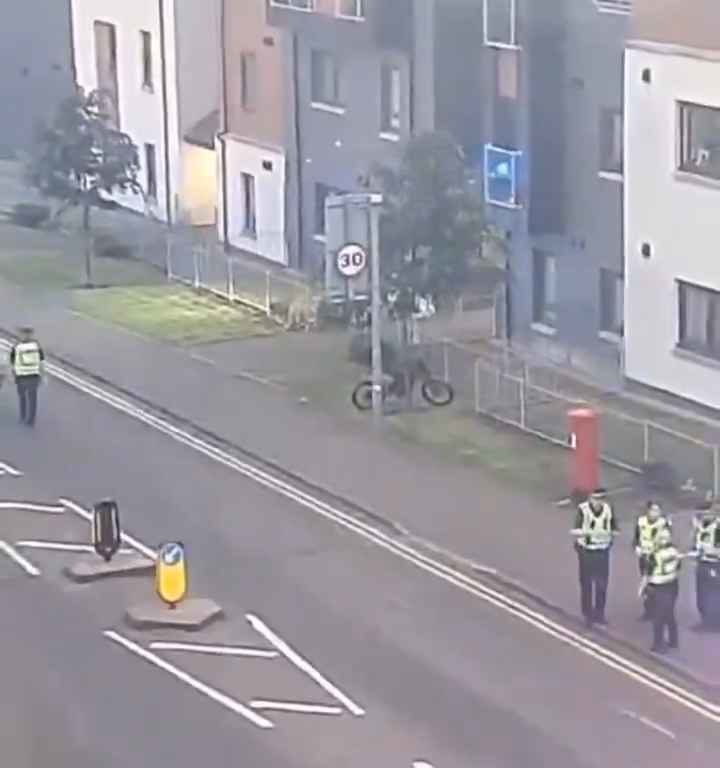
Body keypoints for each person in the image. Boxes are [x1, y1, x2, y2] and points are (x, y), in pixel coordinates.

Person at [571, 488, 619, 628]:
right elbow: (575, 530)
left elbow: (615, 528)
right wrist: (587, 533)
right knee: (586, 584)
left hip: (602, 551)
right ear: (590, 499)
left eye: (601, 499)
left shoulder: (608, 510)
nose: (598, 502)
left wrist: (610, 534)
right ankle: (587, 614)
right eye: (595, 499)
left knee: (602, 584)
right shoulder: (583, 510)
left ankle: (599, 613)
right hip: (586, 551)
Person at [633, 501, 672, 621]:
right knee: (647, 584)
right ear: (648, 511)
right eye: (653, 510)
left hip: (658, 558)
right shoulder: (640, 522)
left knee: (657, 583)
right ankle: (648, 611)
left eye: (658, 511)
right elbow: (635, 539)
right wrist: (637, 548)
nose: (656, 513)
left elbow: (668, 540)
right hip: (644, 556)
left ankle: (658, 611)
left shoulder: (664, 523)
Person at [645, 528, 681, 653]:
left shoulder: (669, 552)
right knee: (667, 613)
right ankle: (673, 639)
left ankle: (658, 643)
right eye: (661, 538)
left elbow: (677, 567)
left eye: (666, 538)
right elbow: (648, 572)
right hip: (659, 586)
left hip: (668, 586)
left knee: (660, 615)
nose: (664, 540)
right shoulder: (655, 553)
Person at [690, 505, 720, 628]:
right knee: (701, 593)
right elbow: (696, 544)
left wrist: (705, 552)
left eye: (709, 512)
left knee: (712, 594)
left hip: (714, 564)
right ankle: (704, 619)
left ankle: (712, 623)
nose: (705, 515)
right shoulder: (701, 527)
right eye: (703, 513)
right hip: (702, 563)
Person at [9, 327, 44, 427]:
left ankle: (23, 416)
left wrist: (13, 374)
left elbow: (12, 362)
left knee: (23, 397)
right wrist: (41, 374)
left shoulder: (17, 347)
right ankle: (31, 419)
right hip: (33, 375)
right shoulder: (36, 346)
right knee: (32, 398)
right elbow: (41, 361)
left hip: (22, 375)